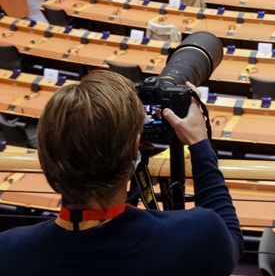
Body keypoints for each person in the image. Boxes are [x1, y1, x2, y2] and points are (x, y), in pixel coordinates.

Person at [0, 69, 243, 276]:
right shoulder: (196, 236)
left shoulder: (8, 251)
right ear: (133, 151)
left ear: (46, 153)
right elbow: (231, 236)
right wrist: (200, 144)